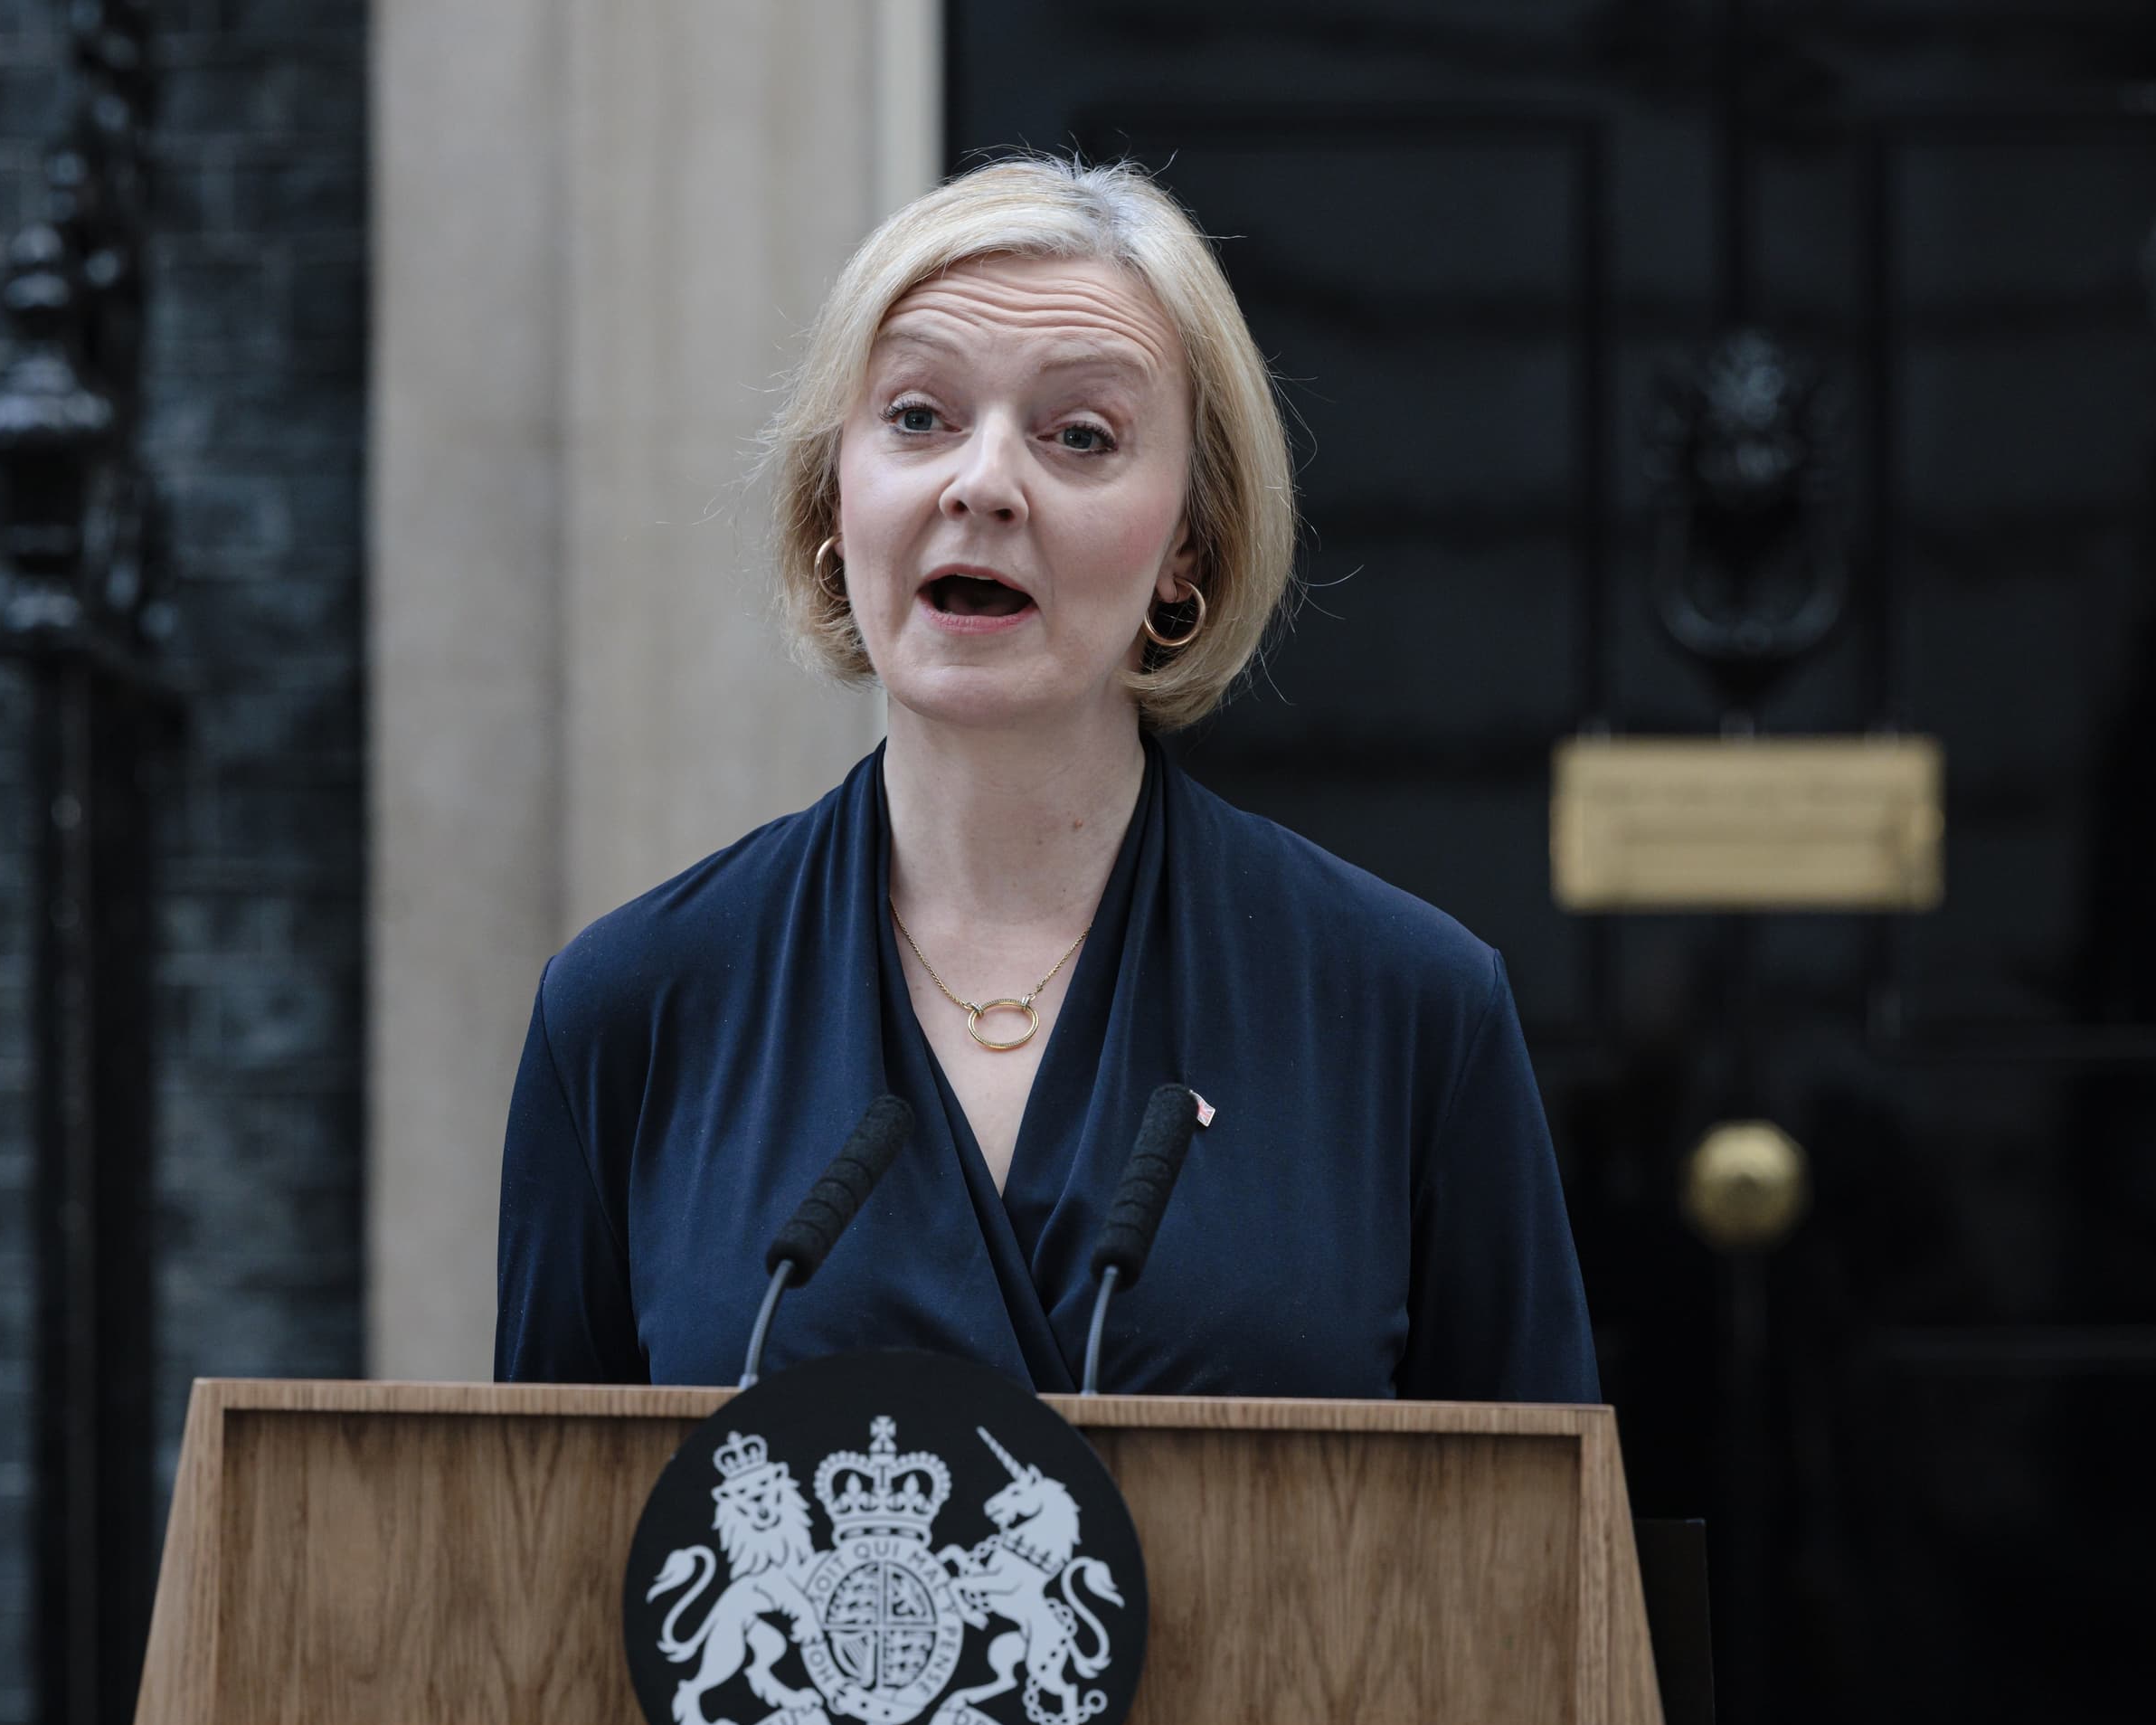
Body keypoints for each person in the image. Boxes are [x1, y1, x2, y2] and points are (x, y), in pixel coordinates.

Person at [496, 156, 1596, 1401]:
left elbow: (1534, 1565)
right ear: (832, 500)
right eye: (917, 418)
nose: (982, 483)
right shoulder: (633, 1007)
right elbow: (548, 1557)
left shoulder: (1410, 1010)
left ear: (1191, 546)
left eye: (1081, 435)